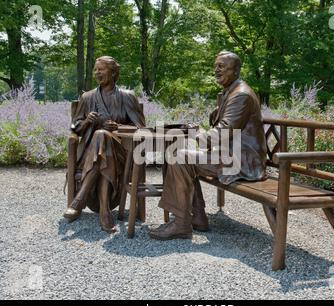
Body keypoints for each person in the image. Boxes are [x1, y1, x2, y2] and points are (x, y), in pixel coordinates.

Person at [150, 51, 267, 240]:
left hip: (242, 161)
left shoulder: (241, 95)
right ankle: (197, 217)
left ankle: (181, 224)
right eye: (216, 66)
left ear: (236, 70)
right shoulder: (231, 92)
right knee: (179, 156)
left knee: (179, 157)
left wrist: (197, 136)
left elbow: (225, 131)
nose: (217, 70)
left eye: (222, 66)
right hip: (231, 154)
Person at [64, 56, 145, 233]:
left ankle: (79, 199)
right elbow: (73, 127)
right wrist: (86, 122)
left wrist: (119, 127)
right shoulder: (87, 97)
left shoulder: (127, 97)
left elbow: (141, 128)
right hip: (91, 155)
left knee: (102, 135)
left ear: (113, 72)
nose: (97, 73)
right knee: (101, 138)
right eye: (96, 70)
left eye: (101, 69)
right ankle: (104, 211)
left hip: (121, 153)